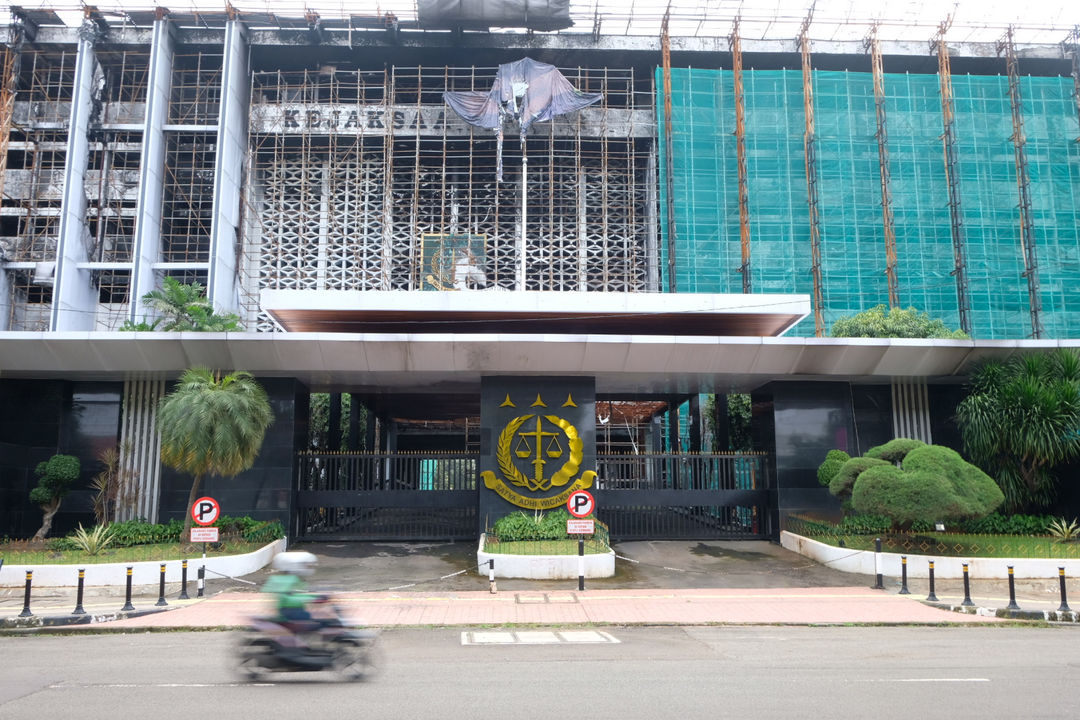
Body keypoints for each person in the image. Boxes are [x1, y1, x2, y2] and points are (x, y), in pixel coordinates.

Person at [262, 551, 326, 646]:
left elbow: (298, 594)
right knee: (317, 622)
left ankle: (304, 642)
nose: (308, 568)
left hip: (292, 611)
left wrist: (313, 597)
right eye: (305, 565)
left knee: (317, 619)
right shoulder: (289, 580)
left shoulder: (289, 578)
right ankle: (303, 644)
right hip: (290, 612)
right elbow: (288, 598)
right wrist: (311, 599)